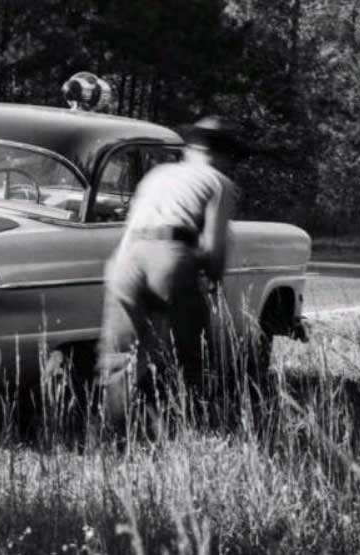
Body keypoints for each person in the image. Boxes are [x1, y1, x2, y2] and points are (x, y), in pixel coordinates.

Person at [98, 116, 241, 437]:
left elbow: (131, 226)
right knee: (190, 353)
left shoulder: (158, 174)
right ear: (224, 154)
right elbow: (214, 248)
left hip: (126, 259)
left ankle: (117, 437)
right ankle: (187, 431)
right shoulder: (218, 182)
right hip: (172, 256)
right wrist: (211, 278)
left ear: (190, 148)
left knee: (120, 355)